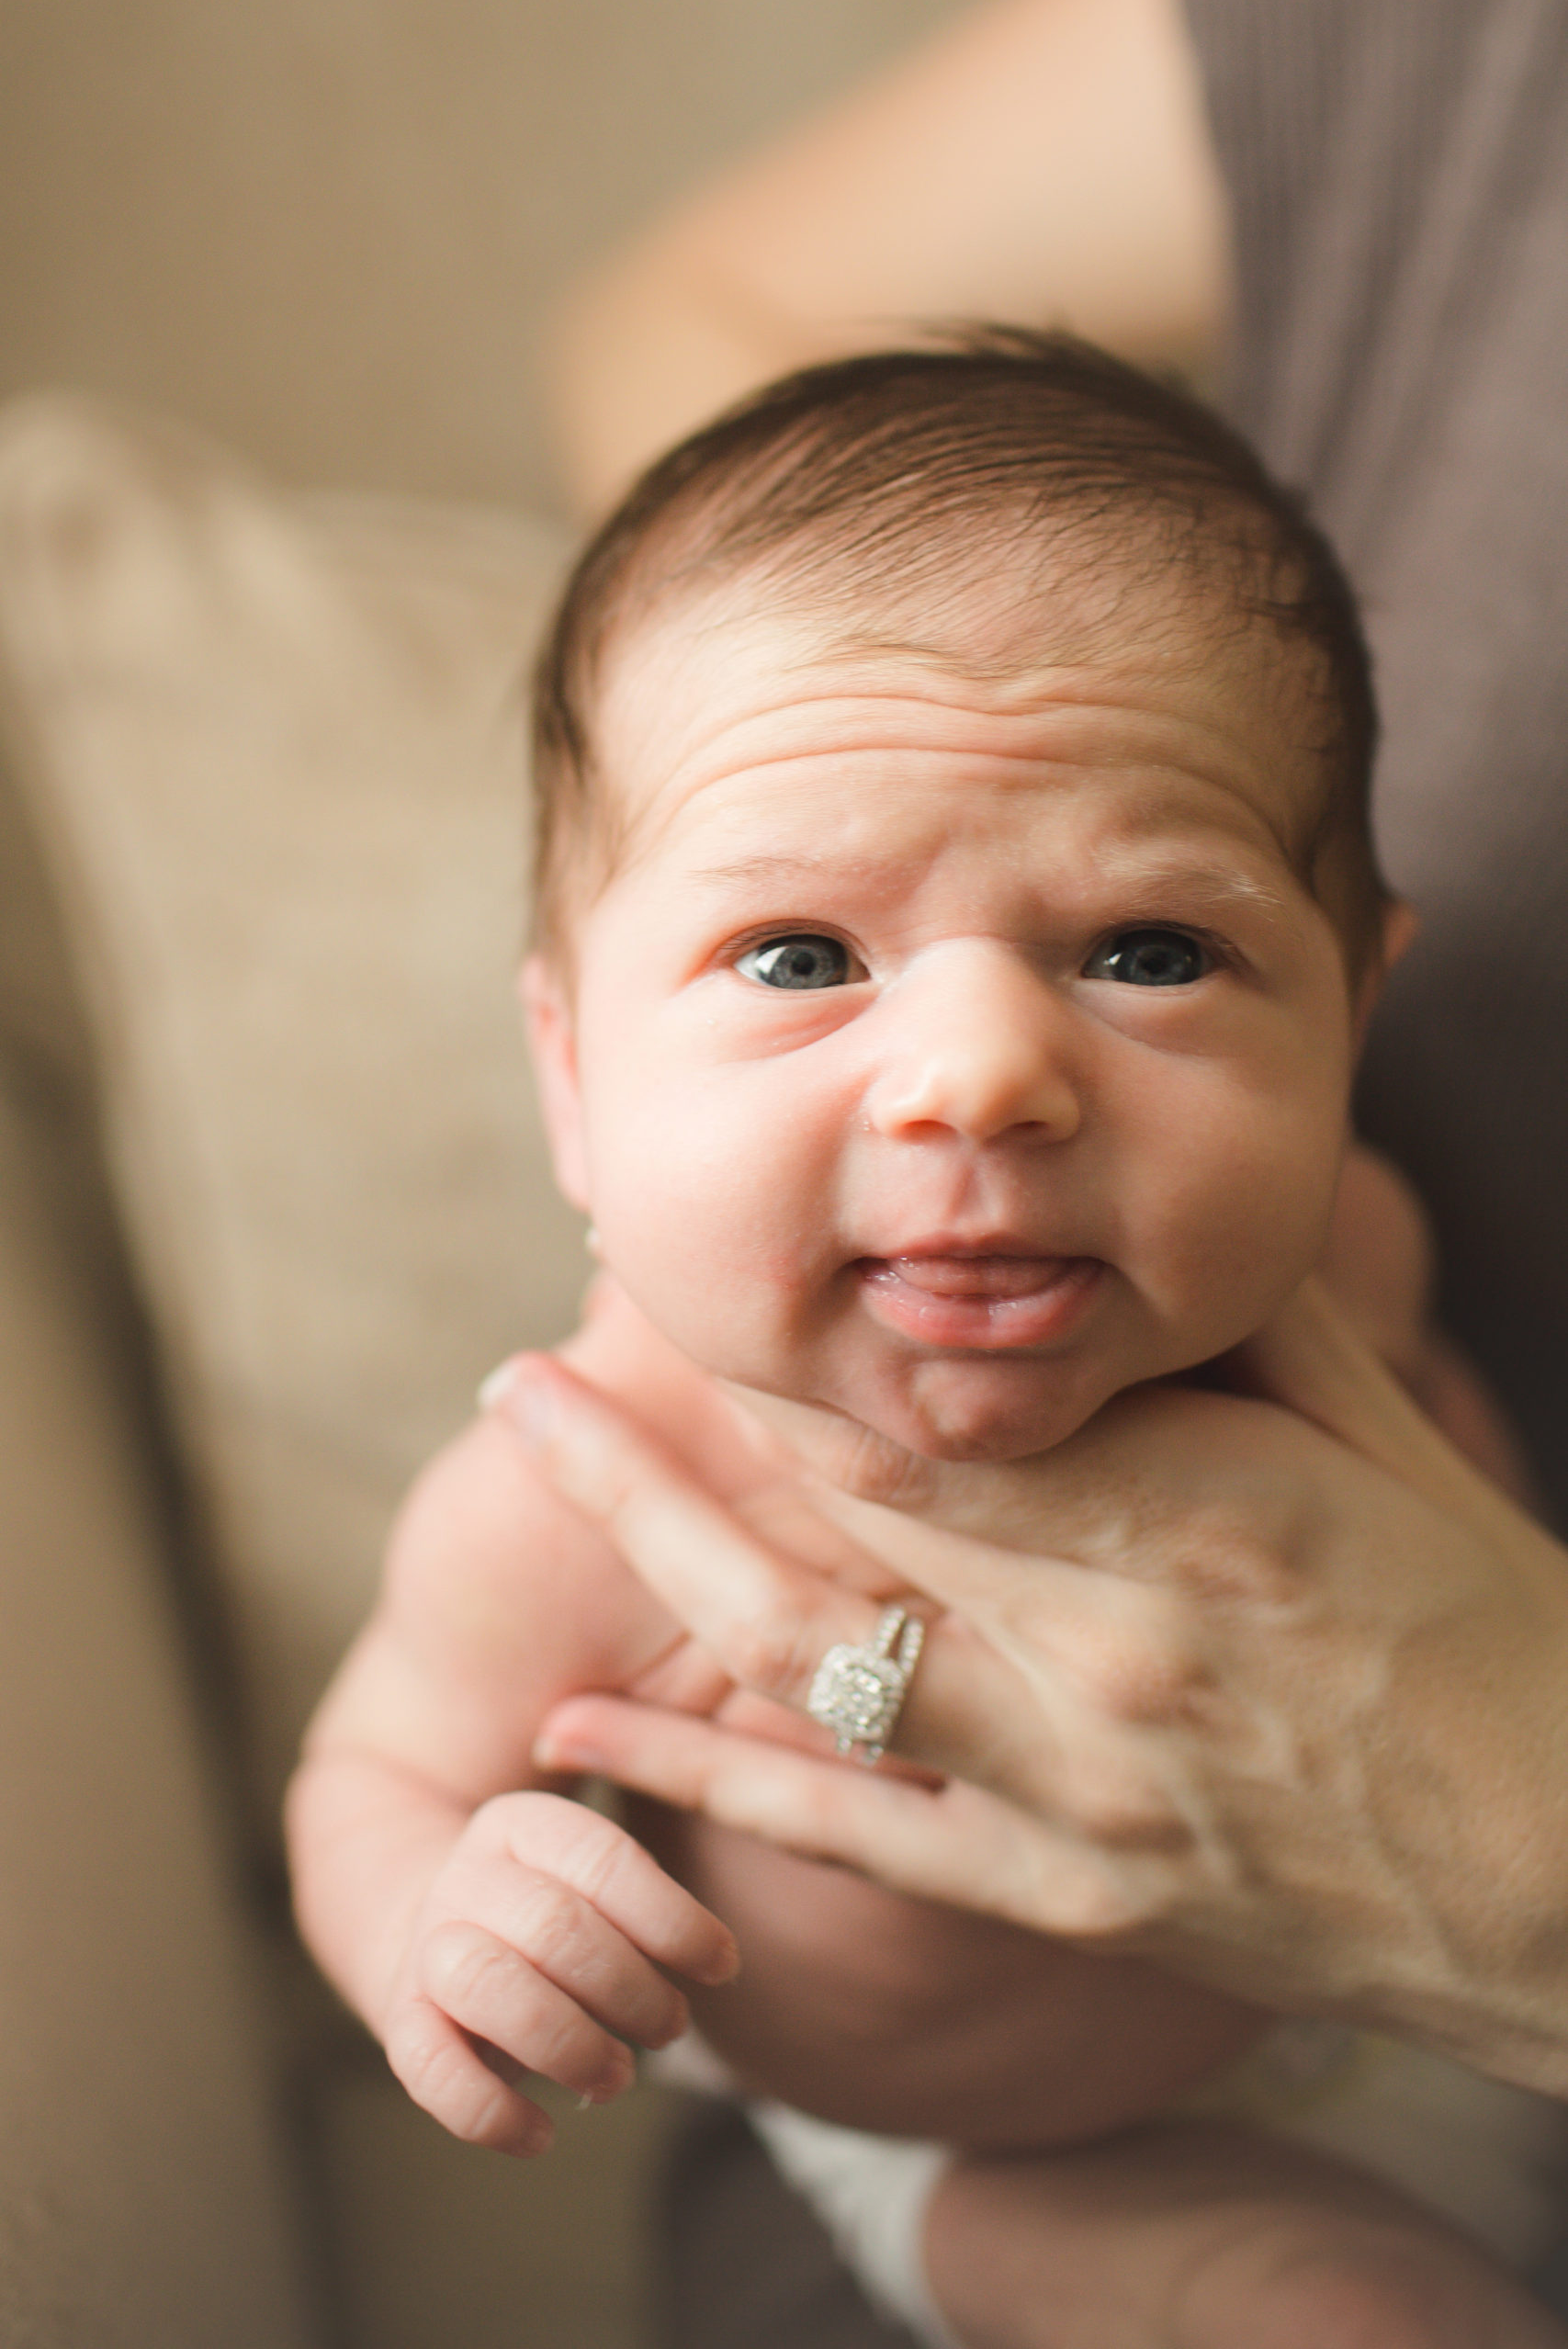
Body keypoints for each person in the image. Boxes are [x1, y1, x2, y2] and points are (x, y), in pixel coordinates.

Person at [288, 333, 1568, 2349]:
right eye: (799, 956)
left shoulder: (1354, 1245)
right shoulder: (574, 1489)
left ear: (1345, 1006)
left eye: (1149, 949)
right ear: (570, 1074)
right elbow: (375, 1769)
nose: (979, 1074)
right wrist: (449, 1918)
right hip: (1059, 2155)